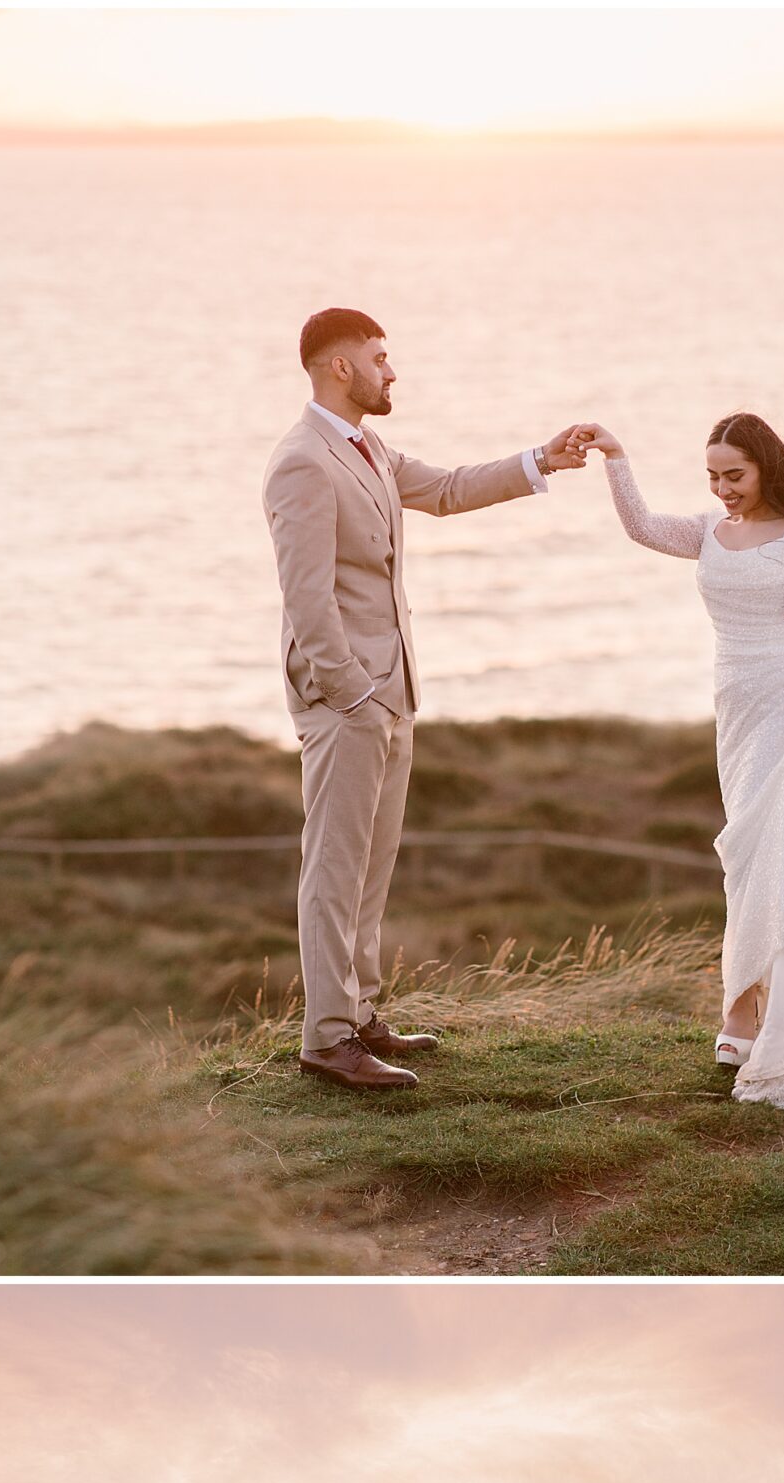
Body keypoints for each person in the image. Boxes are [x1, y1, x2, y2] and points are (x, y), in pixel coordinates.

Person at [262, 310, 594, 1092]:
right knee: (334, 870)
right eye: (379, 358)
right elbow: (305, 596)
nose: (391, 371)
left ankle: (359, 1016)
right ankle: (326, 1040)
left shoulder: (368, 447)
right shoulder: (302, 462)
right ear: (339, 367)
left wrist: (541, 459)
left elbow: (445, 490)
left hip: (391, 688)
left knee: (370, 867)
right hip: (348, 696)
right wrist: (351, 691)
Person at [578, 413, 784, 1115]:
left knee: (771, 852)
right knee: (745, 857)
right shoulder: (705, 532)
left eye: (735, 475)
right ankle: (746, 1000)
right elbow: (640, 527)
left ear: (764, 468)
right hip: (735, 705)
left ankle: (751, 1014)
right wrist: (616, 458)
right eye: (712, 476)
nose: (722, 488)